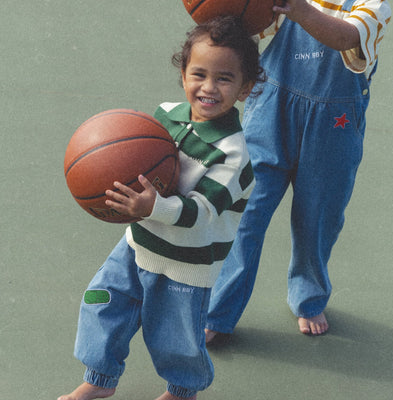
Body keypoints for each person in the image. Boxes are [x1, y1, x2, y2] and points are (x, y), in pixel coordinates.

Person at [58, 16, 264, 400]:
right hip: (137, 245)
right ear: (183, 73)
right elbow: (135, 160)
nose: (208, 87)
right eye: (198, 74)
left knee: (175, 337)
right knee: (103, 305)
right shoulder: (164, 115)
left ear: (245, 88)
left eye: (224, 78)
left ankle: (183, 391)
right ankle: (99, 381)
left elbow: (200, 213)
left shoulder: (235, 156)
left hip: (187, 264)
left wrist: (153, 205)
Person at [205, 0, 392, 339]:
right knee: (245, 211)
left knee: (318, 218)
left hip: (333, 125)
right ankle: (216, 311)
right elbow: (250, 24)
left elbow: (346, 37)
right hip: (271, 109)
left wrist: (298, 8)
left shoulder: (375, 6)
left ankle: (308, 296)